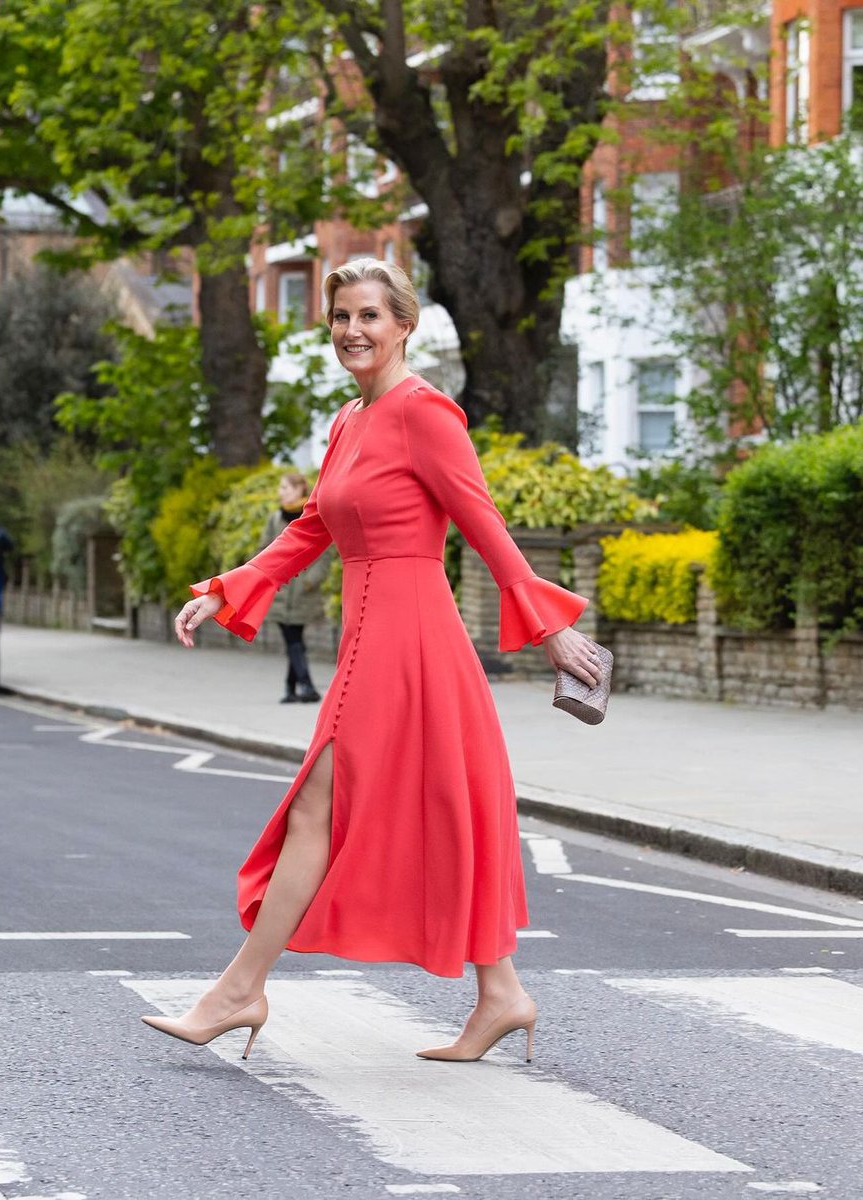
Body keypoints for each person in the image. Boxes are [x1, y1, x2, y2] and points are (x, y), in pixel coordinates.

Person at [142, 258, 602, 1063]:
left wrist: (547, 624)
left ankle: (240, 991)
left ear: (404, 324)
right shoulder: (351, 421)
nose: (353, 331)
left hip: (411, 636)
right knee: (441, 808)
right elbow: (314, 525)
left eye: (369, 316)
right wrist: (229, 588)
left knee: (320, 802)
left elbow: (483, 521)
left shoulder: (426, 414)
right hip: (371, 636)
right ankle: (501, 993)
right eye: (340, 318)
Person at [260, 473, 330, 704]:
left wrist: (309, 582)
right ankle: (303, 686)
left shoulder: (312, 516)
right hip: (281, 592)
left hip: (303, 594)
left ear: (300, 489)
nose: (281, 492)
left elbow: (324, 555)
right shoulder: (275, 519)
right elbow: (265, 549)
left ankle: (295, 688)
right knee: (293, 640)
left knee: (294, 640)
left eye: (285, 487)